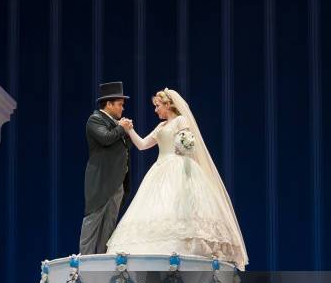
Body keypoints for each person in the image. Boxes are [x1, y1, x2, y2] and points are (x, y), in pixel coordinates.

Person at [106, 88, 248, 270]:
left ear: (168, 105)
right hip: (160, 169)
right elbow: (142, 145)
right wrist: (129, 129)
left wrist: (184, 145)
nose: (156, 110)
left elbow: (189, 142)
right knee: (158, 207)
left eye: (157, 106)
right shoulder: (161, 126)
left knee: (180, 204)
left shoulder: (181, 120)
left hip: (179, 167)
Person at [79, 82, 132, 255]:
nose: (122, 108)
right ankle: (84, 266)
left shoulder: (116, 122)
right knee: (93, 222)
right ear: (108, 104)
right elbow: (106, 138)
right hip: (101, 182)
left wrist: (125, 130)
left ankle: (103, 264)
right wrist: (122, 128)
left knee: (109, 227)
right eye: (119, 104)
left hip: (117, 183)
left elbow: (125, 148)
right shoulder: (95, 119)